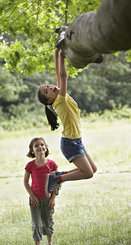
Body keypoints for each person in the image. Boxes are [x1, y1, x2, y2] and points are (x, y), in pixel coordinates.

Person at [37, 48, 97, 198]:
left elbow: (58, 74)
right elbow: (63, 75)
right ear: (49, 101)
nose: (50, 87)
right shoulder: (61, 100)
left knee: (93, 169)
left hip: (76, 141)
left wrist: (57, 52)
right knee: (88, 173)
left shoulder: (58, 97)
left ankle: (57, 176)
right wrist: (62, 55)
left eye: (48, 86)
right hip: (70, 143)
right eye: (47, 91)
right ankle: (57, 179)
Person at [24, 137, 63, 245]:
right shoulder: (30, 165)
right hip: (35, 200)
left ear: (46, 148)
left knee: (48, 222)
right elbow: (26, 182)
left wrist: (53, 198)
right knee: (37, 224)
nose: (40, 147)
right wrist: (32, 196)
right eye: (36, 145)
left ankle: (49, 243)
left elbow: (57, 183)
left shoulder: (52, 164)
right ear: (32, 150)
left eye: (42, 144)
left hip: (48, 199)